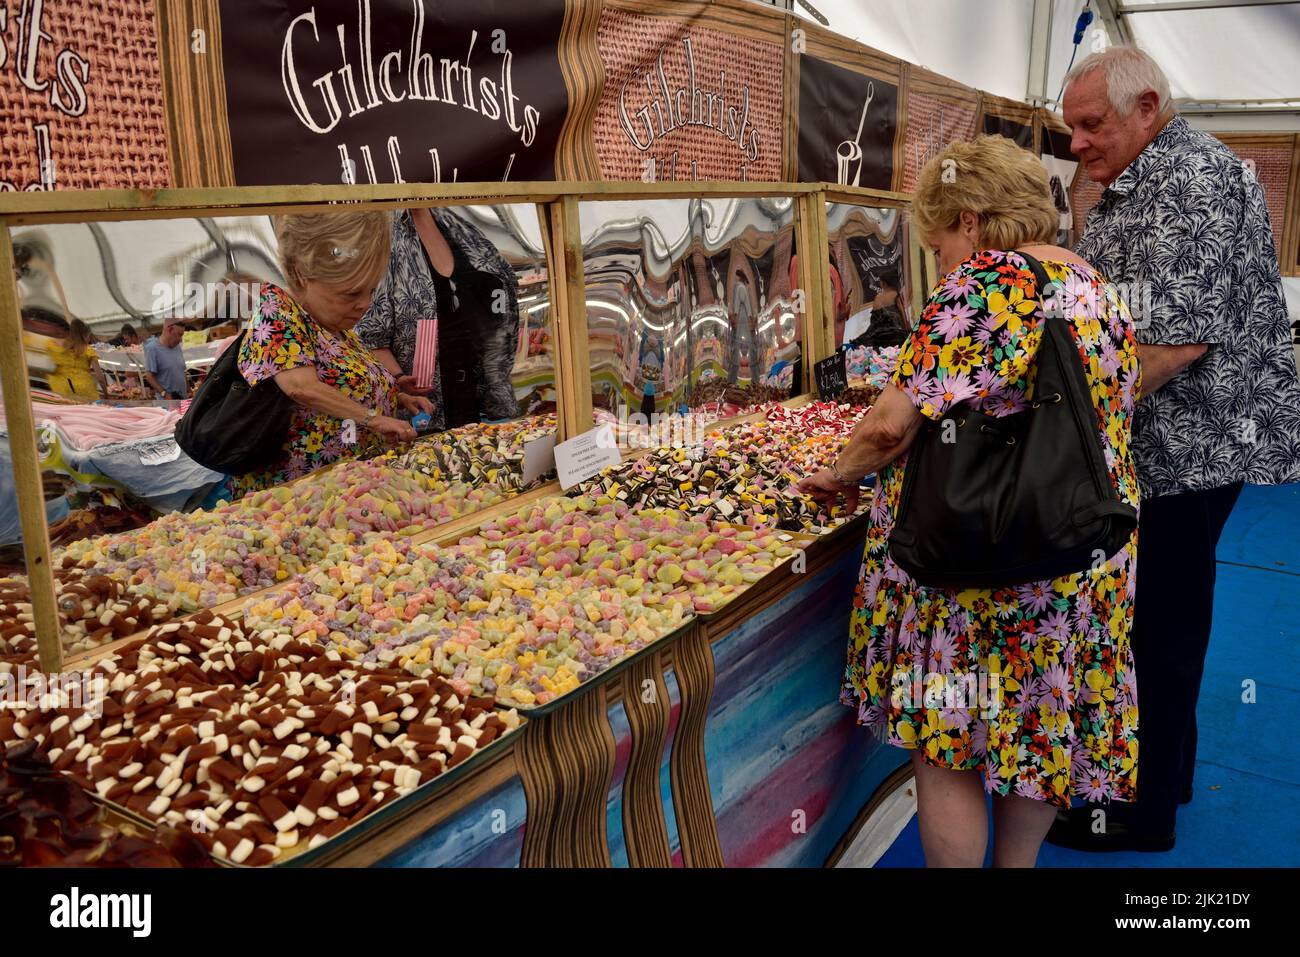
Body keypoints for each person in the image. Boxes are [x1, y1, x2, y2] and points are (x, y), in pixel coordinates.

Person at [798, 134, 1141, 868]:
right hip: (1082, 552)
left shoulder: (986, 284)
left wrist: (836, 472)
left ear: (974, 222)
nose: (941, 261)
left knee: (949, 740)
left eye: (939, 240)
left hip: (985, 562)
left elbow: (890, 426)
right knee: (1036, 728)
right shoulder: (1093, 285)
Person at [1047, 47, 1300, 852]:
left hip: (1192, 447)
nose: (1077, 145)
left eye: (1091, 126)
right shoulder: (1139, 177)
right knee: (1163, 615)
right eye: (1071, 130)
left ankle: (1144, 809)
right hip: (1168, 443)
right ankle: (1167, 776)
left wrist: (1056, 423)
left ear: (1147, 107)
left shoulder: (1189, 179)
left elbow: (1176, 343)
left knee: (1160, 621)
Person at [230, 211, 430, 497]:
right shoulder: (278, 313)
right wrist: (376, 419)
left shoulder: (334, 326)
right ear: (302, 274)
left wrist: (398, 395)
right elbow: (301, 387)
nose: (364, 304)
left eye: (371, 292)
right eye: (350, 294)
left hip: (352, 486)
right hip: (301, 493)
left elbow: (344, 380)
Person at [357, 207, 521, 432]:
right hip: (424, 417)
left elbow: (504, 293)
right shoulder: (379, 234)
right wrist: (399, 378)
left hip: (487, 407)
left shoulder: (457, 219)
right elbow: (367, 336)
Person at [48, 318, 107, 402]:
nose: (89, 339)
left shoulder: (57, 347)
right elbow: (100, 377)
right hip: (86, 390)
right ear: (84, 334)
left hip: (62, 389)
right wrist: (106, 393)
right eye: (88, 336)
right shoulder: (88, 350)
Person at [143, 317, 189, 399]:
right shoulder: (152, 348)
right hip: (167, 403)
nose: (180, 339)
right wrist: (164, 393)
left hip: (182, 399)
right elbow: (149, 376)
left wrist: (188, 389)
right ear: (170, 330)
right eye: (179, 335)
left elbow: (182, 370)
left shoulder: (177, 347)